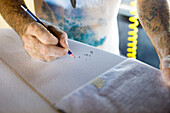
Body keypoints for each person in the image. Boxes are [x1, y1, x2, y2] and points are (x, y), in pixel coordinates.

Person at [0, 0, 169, 85]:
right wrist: (24, 24)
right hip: (44, 56)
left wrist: (167, 53)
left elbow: (152, 2)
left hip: (105, 59)